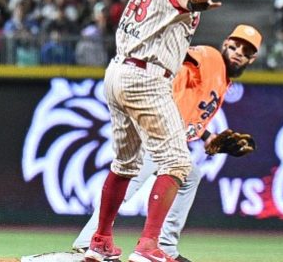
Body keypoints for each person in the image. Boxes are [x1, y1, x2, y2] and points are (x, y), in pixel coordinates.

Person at [85, 0, 224, 262]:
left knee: (125, 164)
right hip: (146, 77)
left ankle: (100, 242)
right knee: (178, 163)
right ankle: (148, 247)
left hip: (116, 73)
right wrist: (196, 1)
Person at [74, 25, 262, 262]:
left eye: (245, 51)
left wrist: (208, 137)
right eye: (234, 46)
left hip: (164, 132)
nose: (237, 53)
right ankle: (87, 242)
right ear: (225, 44)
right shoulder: (211, 57)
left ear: (251, 59)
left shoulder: (222, 80)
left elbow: (190, 114)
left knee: (190, 175)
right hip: (154, 126)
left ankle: (166, 247)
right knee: (129, 182)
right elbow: (183, 53)